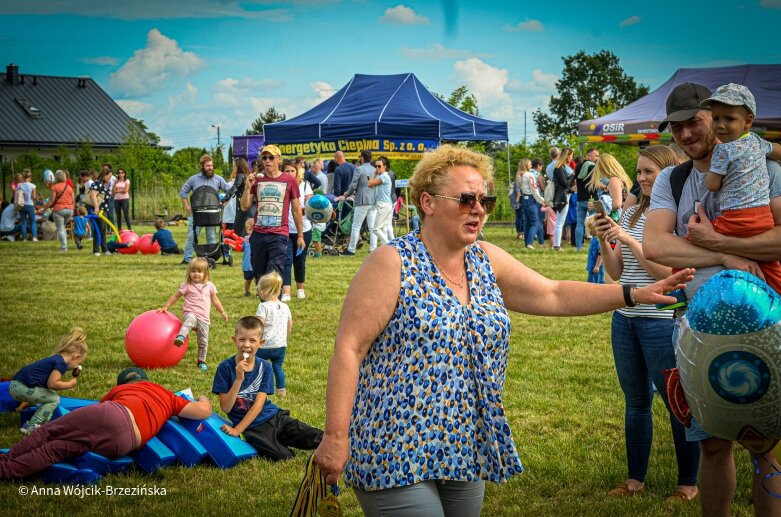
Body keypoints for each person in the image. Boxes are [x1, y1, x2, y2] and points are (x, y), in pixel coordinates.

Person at [312, 144, 694, 515]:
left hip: (465, 439)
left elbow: (554, 294)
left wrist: (631, 293)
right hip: (393, 440)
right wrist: (335, 437)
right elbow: (350, 348)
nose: (478, 209)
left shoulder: (484, 259)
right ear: (428, 203)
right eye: (466, 200)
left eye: (485, 201)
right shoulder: (391, 262)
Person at [643, 82, 781, 516]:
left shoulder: (765, 166)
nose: (686, 135)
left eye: (694, 122)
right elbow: (655, 246)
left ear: (719, 117)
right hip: (699, 330)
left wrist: (713, 237)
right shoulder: (673, 177)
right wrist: (724, 252)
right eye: (677, 127)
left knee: (767, 447)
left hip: (768, 325)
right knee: (714, 447)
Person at [595, 145, 701, 503]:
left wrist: (629, 240)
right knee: (636, 402)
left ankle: (687, 484)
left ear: (667, 174)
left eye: (648, 172)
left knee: (676, 403)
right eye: (638, 172)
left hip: (660, 319)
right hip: (626, 318)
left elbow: (669, 275)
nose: (640, 179)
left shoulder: (672, 216)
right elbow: (617, 272)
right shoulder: (630, 211)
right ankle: (634, 479)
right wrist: (606, 239)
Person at [0, 367, 212, 479]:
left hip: (113, 413)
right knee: (55, 451)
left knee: (48, 433)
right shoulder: (167, 395)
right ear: (146, 380)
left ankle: (7, 460)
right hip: (124, 443)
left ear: (124, 384)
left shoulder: (120, 390)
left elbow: (100, 414)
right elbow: (203, 411)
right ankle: (6, 471)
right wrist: (203, 398)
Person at [699, 83, 781, 293]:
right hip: (763, 218)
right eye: (716, 118)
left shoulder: (722, 151)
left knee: (692, 241)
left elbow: (712, 185)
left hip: (735, 219)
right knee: (771, 266)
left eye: (729, 119)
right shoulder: (757, 142)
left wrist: (717, 175)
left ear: (748, 121)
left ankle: (678, 286)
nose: (721, 125)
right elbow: (778, 150)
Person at [212, 316, 322, 461]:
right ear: (234, 340)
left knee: (317, 437)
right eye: (242, 339)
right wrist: (238, 379)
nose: (246, 345)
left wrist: (237, 430)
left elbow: (259, 404)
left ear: (261, 343)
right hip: (253, 428)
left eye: (252, 341)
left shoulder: (265, 367)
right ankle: (278, 441)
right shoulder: (225, 368)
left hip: (274, 417)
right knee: (284, 456)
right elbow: (226, 408)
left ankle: (347, 445)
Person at [240, 145, 305, 280]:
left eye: (271, 157)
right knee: (259, 274)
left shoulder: (289, 180)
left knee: (274, 275)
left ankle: (275, 300)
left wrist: (300, 235)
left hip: (279, 234)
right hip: (258, 234)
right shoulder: (256, 179)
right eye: (264, 158)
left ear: (279, 159)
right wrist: (247, 187)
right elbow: (244, 206)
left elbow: (296, 209)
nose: (267, 161)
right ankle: (264, 301)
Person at [9, 328, 87, 435]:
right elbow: (52, 383)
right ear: (75, 356)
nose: (77, 366)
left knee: (51, 396)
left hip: (16, 386)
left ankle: (41, 425)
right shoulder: (61, 364)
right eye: (79, 362)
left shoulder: (57, 358)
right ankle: (32, 427)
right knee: (54, 399)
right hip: (21, 388)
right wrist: (69, 384)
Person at [157, 257, 229, 371]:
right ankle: (181, 336)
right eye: (193, 271)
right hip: (191, 313)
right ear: (189, 272)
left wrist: (222, 311)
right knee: (189, 320)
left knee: (203, 342)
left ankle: (201, 361)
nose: (196, 274)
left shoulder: (210, 285)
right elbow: (176, 296)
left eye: (199, 271)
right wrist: (166, 306)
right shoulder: (187, 285)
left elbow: (215, 300)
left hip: (204, 319)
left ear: (205, 273)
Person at [179, 154, 230, 265]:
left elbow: (229, 191)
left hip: (212, 213)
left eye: (211, 165)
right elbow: (183, 192)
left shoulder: (218, 179)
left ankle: (211, 259)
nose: (210, 168)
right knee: (192, 236)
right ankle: (187, 258)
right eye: (207, 165)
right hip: (196, 214)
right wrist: (187, 206)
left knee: (211, 236)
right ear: (202, 166)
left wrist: (224, 203)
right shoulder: (193, 179)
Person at [255, 272, 291, 396]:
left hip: (264, 344)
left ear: (265, 291)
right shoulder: (285, 306)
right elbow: (289, 323)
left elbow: (259, 324)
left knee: (258, 366)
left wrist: (255, 338)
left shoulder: (263, 306)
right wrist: (285, 337)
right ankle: (281, 390)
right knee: (277, 367)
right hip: (280, 345)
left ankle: (258, 387)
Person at [282, 160, 314, 301]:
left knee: (300, 260)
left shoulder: (305, 185)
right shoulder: (281, 186)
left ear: (297, 172)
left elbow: (311, 207)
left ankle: (300, 288)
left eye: (292, 171)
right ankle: (286, 291)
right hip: (285, 230)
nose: (289, 174)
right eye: (286, 171)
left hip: (304, 230)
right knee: (286, 260)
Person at [340, 150, 377, 256]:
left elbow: (353, 185)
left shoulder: (359, 169)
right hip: (373, 200)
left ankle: (351, 250)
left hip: (362, 201)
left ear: (362, 158)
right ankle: (373, 249)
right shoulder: (375, 170)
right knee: (372, 227)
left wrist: (346, 194)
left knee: (356, 226)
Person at [588, 154, 633, 223]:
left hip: (615, 221)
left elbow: (617, 204)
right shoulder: (620, 179)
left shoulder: (613, 180)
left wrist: (596, 206)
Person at [42, 169, 74, 252]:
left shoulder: (55, 187)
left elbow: (52, 200)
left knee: (60, 228)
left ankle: (64, 247)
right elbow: (73, 200)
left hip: (59, 210)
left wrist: (44, 209)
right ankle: (63, 246)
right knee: (62, 227)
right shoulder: (69, 187)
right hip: (69, 210)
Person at [575, 148, 600, 250]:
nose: (597, 158)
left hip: (580, 198)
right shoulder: (592, 166)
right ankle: (595, 245)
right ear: (589, 156)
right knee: (595, 222)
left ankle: (579, 247)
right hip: (591, 198)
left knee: (579, 223)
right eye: (596, 156)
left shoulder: (578, 166)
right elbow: (596, 183)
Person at [518, 158, 546, 249]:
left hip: (524, 199)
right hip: (531, 199)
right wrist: (542, 201)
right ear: (526, 165)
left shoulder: (520, 175)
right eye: (530, 164)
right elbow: (535, 190)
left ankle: (526, 243)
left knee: (527, 222)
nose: (531, 165)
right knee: (535, 222)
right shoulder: (529, 175)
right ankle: (530, 243)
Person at [551, 147, 574, 250]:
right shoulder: (559, 168)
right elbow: (565, 183)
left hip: (565, 195)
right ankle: (557, 245)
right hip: (562, 196)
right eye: (571, 156)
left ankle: (557, 244)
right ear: (567, 156)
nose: (571, 158)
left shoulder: (562, 167)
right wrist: (573, 176)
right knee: (560, 221)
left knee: (560, 220)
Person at [369, 156, 394, 246]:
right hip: (384, 205)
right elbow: (371, 186)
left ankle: (389, 246)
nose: (377, 168)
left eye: (379, 166)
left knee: (376, 229)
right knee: (383, 229)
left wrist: (374, 174)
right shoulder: (381, 177)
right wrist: (376, 174)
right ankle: (386, 250)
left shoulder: (384, 176)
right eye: (376, 166)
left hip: (384, 205)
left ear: (385, 166)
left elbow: (370, 183)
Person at [89, 168, 114, 256]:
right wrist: (96, 208)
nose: (110, 178)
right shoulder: (97, 184)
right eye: (109, 176)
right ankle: (96, 250)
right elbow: (92, 195)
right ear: (104, 175)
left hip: (104, 211)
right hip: (99, 211)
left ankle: (104, 249)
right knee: (97, 230)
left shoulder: (103, 184)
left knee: (103, 231)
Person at [224, 158, 251, 238]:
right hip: (247, 203)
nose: (233, 169)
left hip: (242, 204)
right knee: (246, 227)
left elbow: (234, 188)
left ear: (238, 167)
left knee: (238, 229)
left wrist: (225, 199)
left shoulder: (240, 175)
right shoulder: (246, 175)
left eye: (234, 167)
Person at [17, 169, 37, 242]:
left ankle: (24, 238)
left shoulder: (19, 185)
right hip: (30, 205)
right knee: (33, 222)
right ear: (30, 177)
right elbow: (34, 197)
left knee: (24, 222)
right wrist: (36, 198)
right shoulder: (33, 186)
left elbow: (17, 194)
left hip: (22, 205)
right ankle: (34, 237)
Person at [585, 215, 604, 284]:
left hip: (597, 267)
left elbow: (601, 254)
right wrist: (588, 264)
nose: (588, 230)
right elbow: (591, 253)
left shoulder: (599, 241)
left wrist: (597, 266)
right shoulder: (593, 239)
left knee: (597, 282)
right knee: (590, 281)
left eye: (590, 229)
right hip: (592, 265)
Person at [511, 160, 525, 240]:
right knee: (520, 217)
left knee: (520, 217)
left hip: (519, 199)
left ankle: (520, 233)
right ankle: (520, 233)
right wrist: (519, 201)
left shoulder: (519, 175)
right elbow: (517, 190)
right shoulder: (519, 176)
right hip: (520, 199)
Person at [242, 219, 255, 297]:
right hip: (247, 265)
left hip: (256, 264)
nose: (250, 231)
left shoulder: (258, 240)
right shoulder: (245, 240)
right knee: (248, 280)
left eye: (252, 229)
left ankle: (258, 292)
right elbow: (240, 248)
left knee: (257, 280)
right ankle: (247, 291)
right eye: (249, 229)